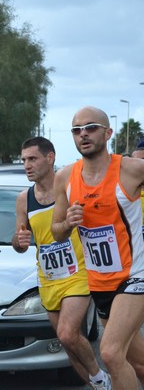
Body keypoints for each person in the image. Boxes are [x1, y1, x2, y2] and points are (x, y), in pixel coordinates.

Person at [51, 106, 144, 390]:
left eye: (90, 127)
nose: (83, 134)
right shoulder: (65, 177)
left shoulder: (131, 169)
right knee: (134, 358)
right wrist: (67, 223)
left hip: (134, 275)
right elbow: (57, 233)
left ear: (108, 132)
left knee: (110, 352)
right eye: (77, 130)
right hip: (100, 281)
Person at [13, 136, 110, 389]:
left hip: (78, 272)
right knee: (67, 343)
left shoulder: (70, 188)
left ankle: (101, 378)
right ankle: (97, 384)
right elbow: (19, 243)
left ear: (50, 158)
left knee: (68, 333)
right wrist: (19, 241)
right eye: (24, 160)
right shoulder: (24, 199)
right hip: (48, 278)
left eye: (32, 159)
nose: (27, 165)